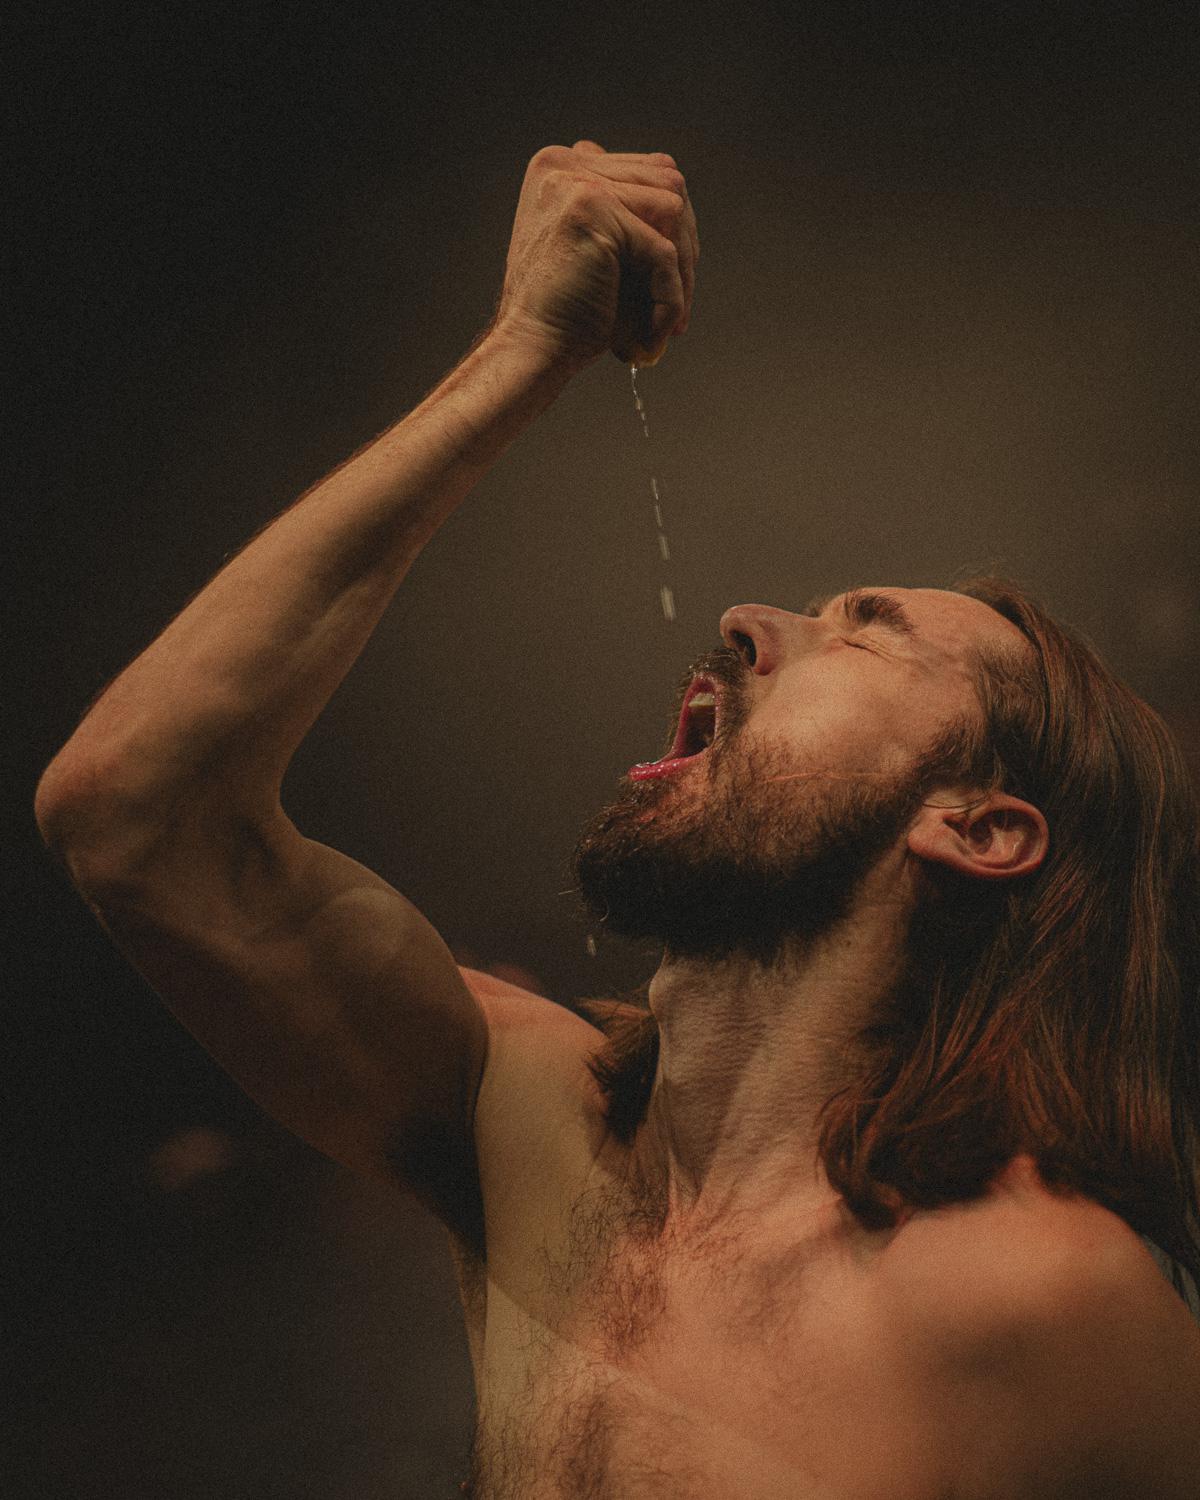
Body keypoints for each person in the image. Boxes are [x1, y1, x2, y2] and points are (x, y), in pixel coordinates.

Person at [35, 141, 1200, 1498]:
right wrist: (524, 347)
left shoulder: (1036, 1297)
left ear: (982, 828)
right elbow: (130, 814)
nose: (745, 624)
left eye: (861, 635)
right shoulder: (529, 1121)